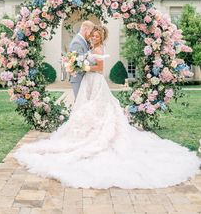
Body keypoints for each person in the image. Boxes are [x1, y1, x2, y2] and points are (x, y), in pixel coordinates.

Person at [14, 26, 201, 189]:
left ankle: (95, 135)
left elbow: (100, 68)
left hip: (95, 80)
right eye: (93, 35)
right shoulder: (91, 47)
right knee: (88, 107)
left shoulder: (99, 47)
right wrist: (78, 64)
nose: (94, 37)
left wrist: (83, 66)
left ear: (101, 37)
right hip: (89, 80)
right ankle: (86, 132)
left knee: (98, 108)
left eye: (97, 35)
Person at [69, 20, 94, 98]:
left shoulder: (83, 41)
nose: (92, 35)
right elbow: (78, 64)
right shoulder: (77, 42)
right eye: (91, 32)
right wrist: (95, 64)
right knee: (80, 106)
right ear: (86, 29)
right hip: (79, 78)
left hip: (83, 78)